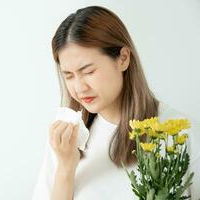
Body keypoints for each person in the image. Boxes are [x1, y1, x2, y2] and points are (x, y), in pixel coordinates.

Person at [32, 5, 200, 200]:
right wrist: (65, 168)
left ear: (123, 58)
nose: (79, 88)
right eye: (68, 75)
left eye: (88, 71)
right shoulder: (66, 137)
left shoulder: (182, 134)